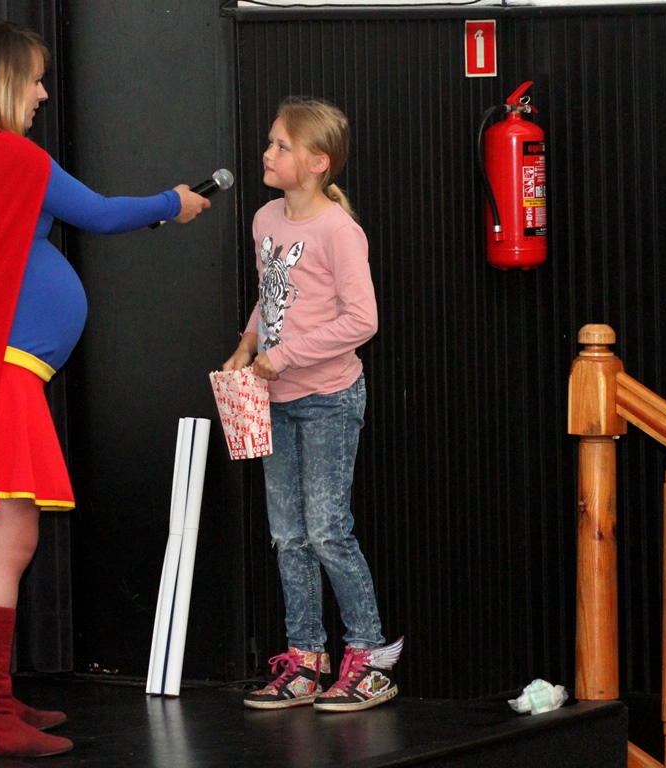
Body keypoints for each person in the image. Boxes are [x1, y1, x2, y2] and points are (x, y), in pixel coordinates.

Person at [0, 21, 209, 759]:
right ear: (3, 81)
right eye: (33, 79)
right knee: (9, 538)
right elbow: (99, 212)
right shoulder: (11, 156)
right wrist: (173, 202)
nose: (41, 93)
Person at [222, 96, 402, 713]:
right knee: (288, 536)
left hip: (328, 400)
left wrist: (287, 355)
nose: (267, 153)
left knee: (327, 531)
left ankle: (370, 660)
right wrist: (247, 347)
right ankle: (305, 662)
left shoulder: (338, 231)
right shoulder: (265, 218)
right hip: (273, 398)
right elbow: (271, 297)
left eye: (282, 146)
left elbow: (362, 320)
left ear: (319, 162)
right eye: (270, 142)